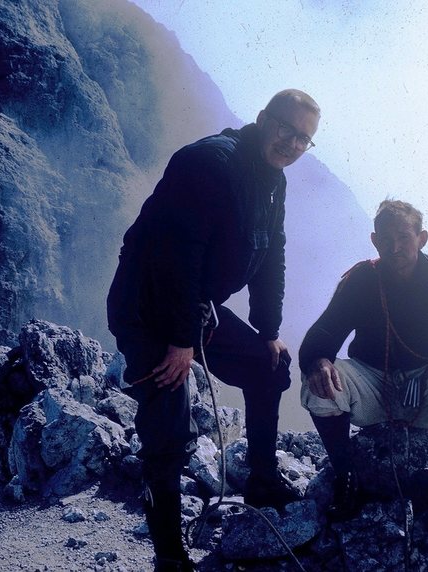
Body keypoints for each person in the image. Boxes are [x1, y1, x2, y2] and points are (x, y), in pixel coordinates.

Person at [107, 89, 320, 571]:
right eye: (286, 129)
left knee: (271, 366)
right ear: (263, 119)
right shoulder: (208, 164)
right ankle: (169, 555)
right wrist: (181, 342)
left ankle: (262, 478)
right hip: (147, 308)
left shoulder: (272, 181)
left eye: (304, 139)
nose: (291, 143)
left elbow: (272, 255)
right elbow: (174, 258)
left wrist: (268, 329)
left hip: (193, 309)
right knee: (168, 427)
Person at [299, 199, 428, 542]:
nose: (394, 247)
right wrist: (318, 360)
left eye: (404, 238)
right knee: (318, 384)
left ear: (422, 238)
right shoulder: (361, 279)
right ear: (374, 240)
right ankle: (347, 477)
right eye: (385, 239)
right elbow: (324, 332)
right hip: (372, 379)